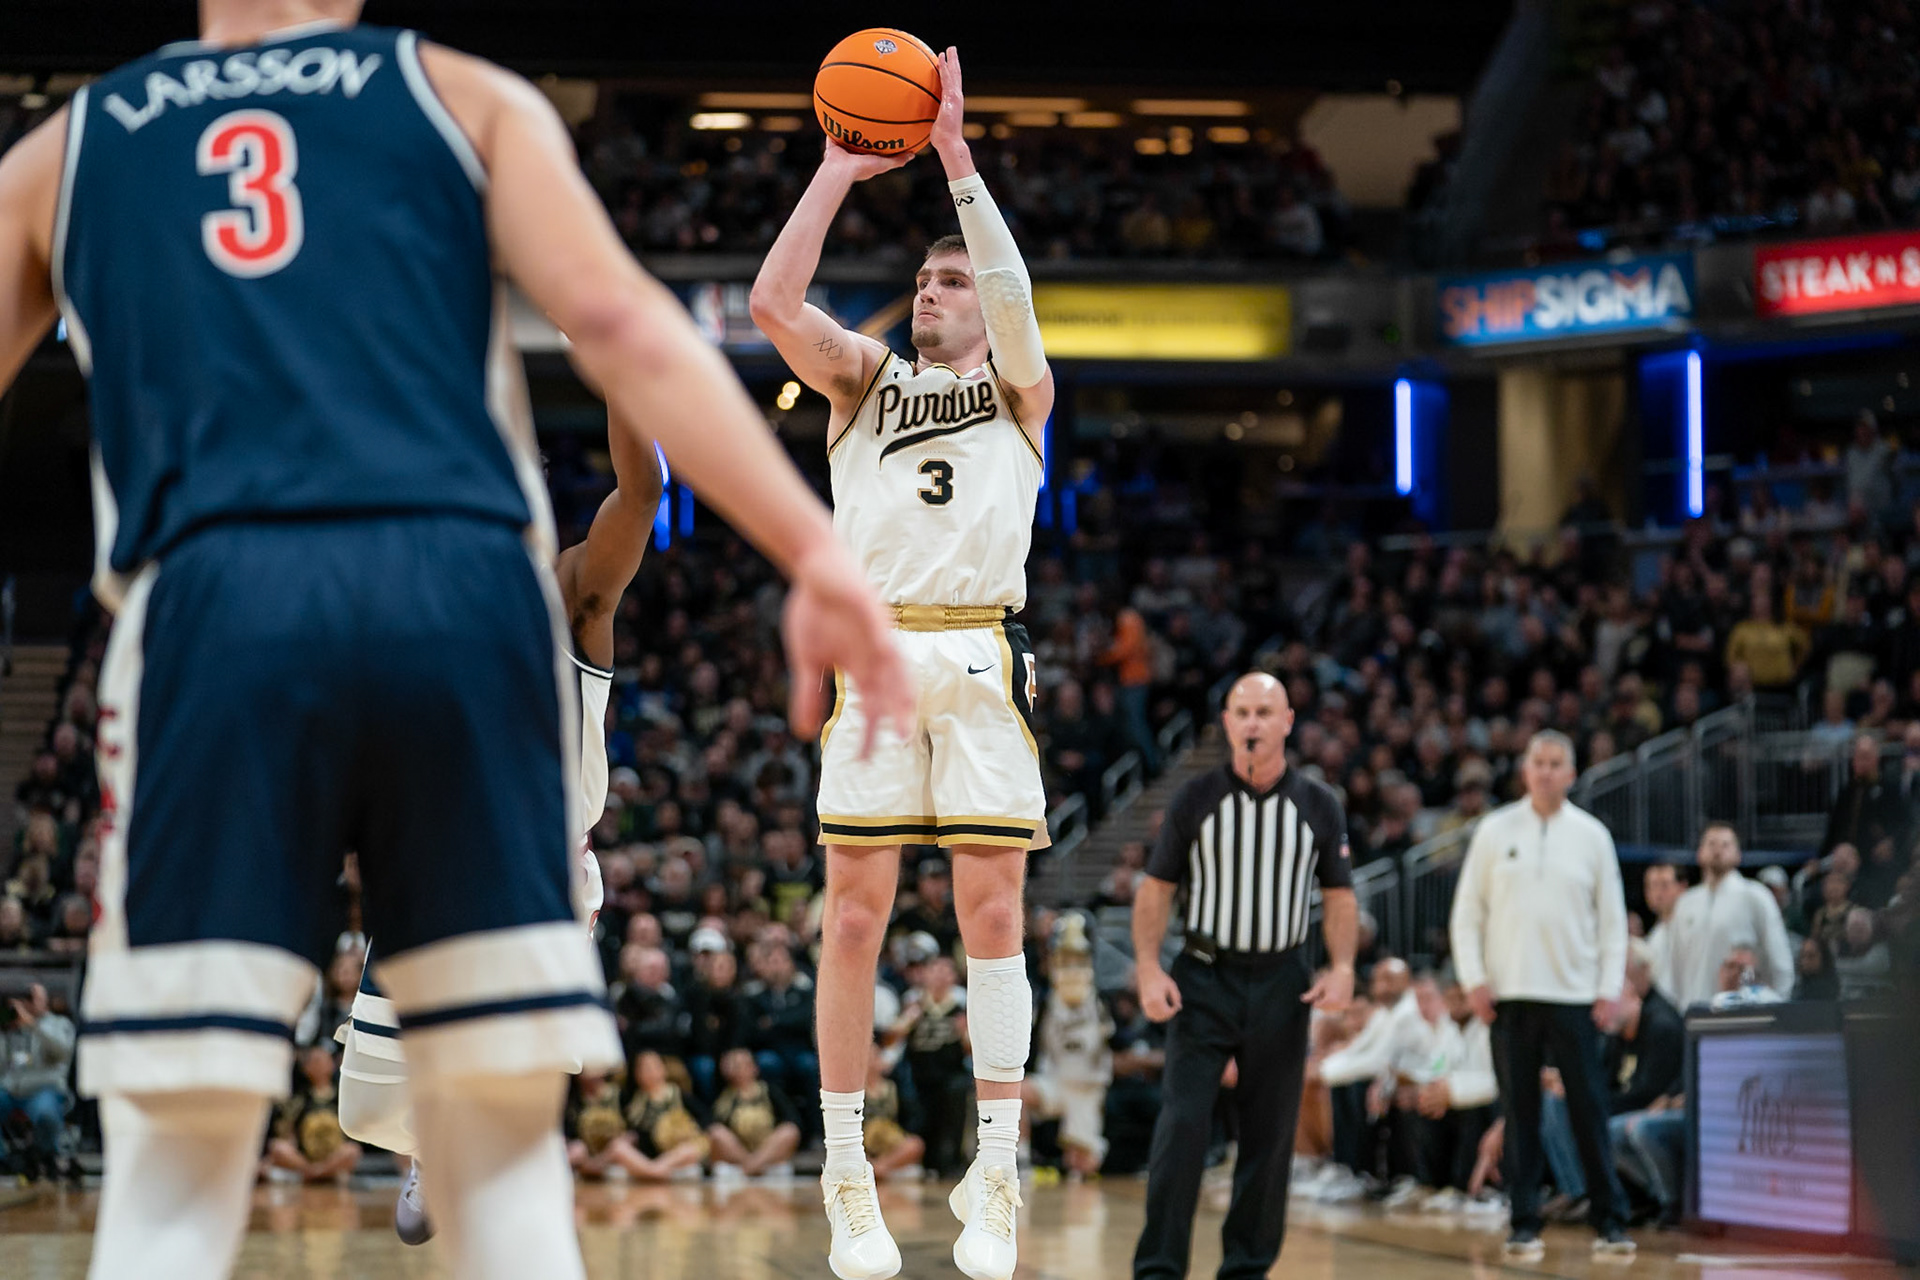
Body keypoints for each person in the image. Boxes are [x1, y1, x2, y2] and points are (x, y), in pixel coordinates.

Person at [0, 5, 912, 1277]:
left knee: (168, 1177)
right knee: (509, 1175)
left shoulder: (70, 146)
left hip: (220, 593)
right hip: (459, 589)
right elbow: (627, 322)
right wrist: (813, 549)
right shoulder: (459, 92)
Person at [750, 46, 1052, 1280]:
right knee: (855, 922)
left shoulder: (1024, 387)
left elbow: (1015, 297)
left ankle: (996, 1164)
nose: (930, 292)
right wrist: (833, 170)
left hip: (980, 648)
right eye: (921, 280)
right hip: (877, 657)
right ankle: (844, 1168)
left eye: (947, 280)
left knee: (992, 913)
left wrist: (956, 163)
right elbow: (774, 304)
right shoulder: (866, 383)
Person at [337, 365, 664, 1245]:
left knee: (507, 1113)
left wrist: (611, 362)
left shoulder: (569, 595)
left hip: (536, 875)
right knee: (361, 1105)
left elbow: (643, 492)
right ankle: (428, 1146)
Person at [1131, 672, 1358, 1280]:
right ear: (1227, 723)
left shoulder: (1318, 805)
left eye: (1265, 711)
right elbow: (1155, 890)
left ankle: (1247, 1269)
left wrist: (1342, 967)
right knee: (1181, 1129)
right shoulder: (1196, 798)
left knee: (1270, 1138)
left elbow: (1339, 897)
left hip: (1285, 980)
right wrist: (1149, 969)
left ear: (1287, 721)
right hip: (1205, 978)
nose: (1253, 722)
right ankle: (1158, 1268)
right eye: (1242, 711)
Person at [1450, 730, 1634, 1259]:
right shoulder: (1493, 830)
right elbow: (1467, 916)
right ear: (1525, 770)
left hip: (1576, 995)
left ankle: (1611, 1220)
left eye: (1557, 763)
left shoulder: (1592, 835)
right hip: (1508, 995)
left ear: (1572, 773)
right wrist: (1474, 981)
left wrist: (1607, 987)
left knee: (1588, 1111)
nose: (1547, 771)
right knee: (1520, 1113)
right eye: (1539, 763)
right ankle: (1523, 1222)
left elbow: (1612, 921)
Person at [1660, 824, 1795, 1010]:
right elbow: (1674, 963)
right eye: (1711, 843)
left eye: (1726, 844)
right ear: (1699, 853)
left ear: (1738, 855)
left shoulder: (1755, 896)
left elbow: (1779, 959)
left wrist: (1779, 1006)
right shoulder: (1685, 902)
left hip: (1741, 1014)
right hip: (1694, 1011)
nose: (1718, 850)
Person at [1023, 912, 1114, 1177]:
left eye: (1078, 960)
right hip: (1055, 1081)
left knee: (1083, 1165)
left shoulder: (1102, 1000)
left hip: (1088, 1086)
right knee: (1016, 1093)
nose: (1071, 968)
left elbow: (1117, 1042)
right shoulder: (1043, 998)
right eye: (1065, 959)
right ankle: (1021, 1162)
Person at [0, 983, 76, 1178]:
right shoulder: (9, 1024)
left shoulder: (59, 1024)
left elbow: (63, 1053)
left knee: (45, 1113)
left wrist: (33, 1026)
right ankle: (4, 1159)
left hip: (45, 1089)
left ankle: (45, 1155)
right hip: (10, 1090)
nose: (27, 1003)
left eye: (32, 998)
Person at [261, 1044, 362, 1184]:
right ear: (306, 1068)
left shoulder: (343, 1097)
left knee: (352, 1150)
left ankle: (317, 1172)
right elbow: (285, 1132)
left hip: (335, 1156)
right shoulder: (299, 1100)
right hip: (304, 1158)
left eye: (323, 1060)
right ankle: (314, 1172)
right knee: (277, 1147)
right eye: (314, 1061)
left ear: (332, 1065)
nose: (319, 1065)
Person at [706, 1047, 803, 1178]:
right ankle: (753, 1167)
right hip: (738, 1153)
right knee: (716, 1132)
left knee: (790, 1131)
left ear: (754, 1067)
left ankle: (751, 1167)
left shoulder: (769, 1091)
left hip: (767, 1150)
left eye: (743, 1065)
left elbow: (792, 1119)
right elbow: (714, 1126)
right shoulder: (724, 1097)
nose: (738, 1070)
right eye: (734, 1065)